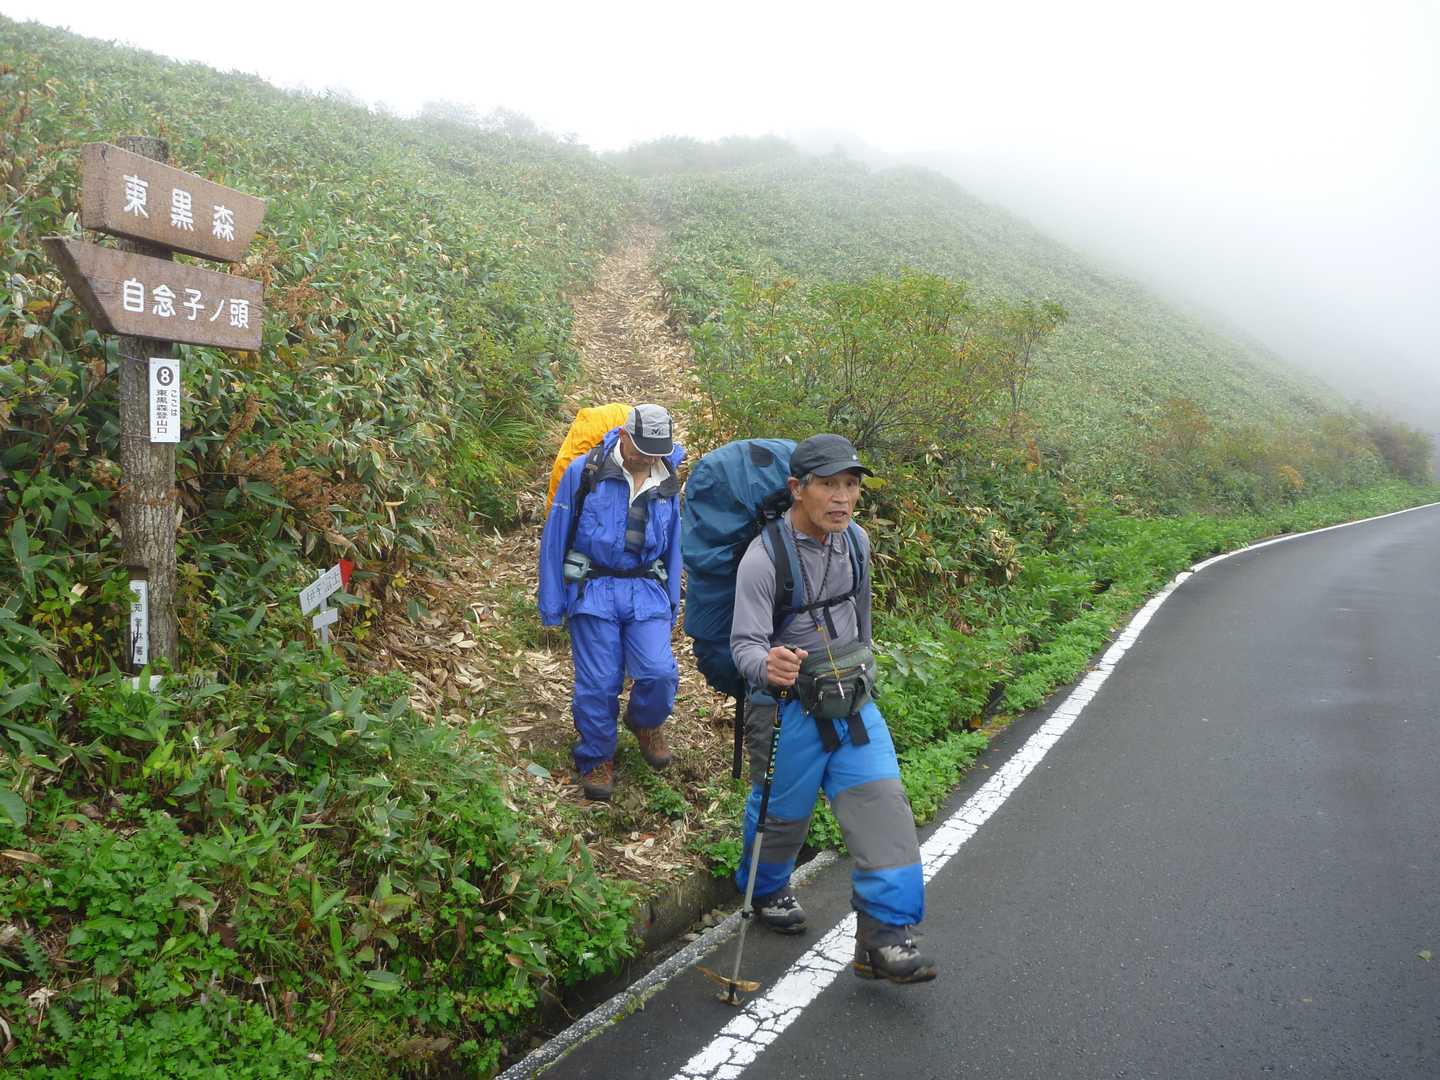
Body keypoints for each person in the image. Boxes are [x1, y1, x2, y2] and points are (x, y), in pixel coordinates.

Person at [729, 433, 936, 983]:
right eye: (828, 485)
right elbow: (744, 644)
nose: (842, 497)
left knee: (884, 809)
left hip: (853, 702)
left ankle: (883, 936)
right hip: (788, 708)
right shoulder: (764, 558)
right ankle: (766, 890)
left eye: (850, 485)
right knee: (782, 819)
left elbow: (861, 622)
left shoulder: (857, 543)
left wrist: (864, 668)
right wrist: (766, 663)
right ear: (798, 488)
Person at [538, 404, 684, 801]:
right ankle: (597, 755)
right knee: (599, 682)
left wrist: (673, 599)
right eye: (642, 449)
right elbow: (555, 536)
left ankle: (644, 722)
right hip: (594, 588)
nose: (649, 459)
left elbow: (674, 542)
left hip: (646, 588)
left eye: (656, 452)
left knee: (659, 672)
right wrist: (552, 601)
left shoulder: (667, 477)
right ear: (623, 436)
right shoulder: (585, 472)